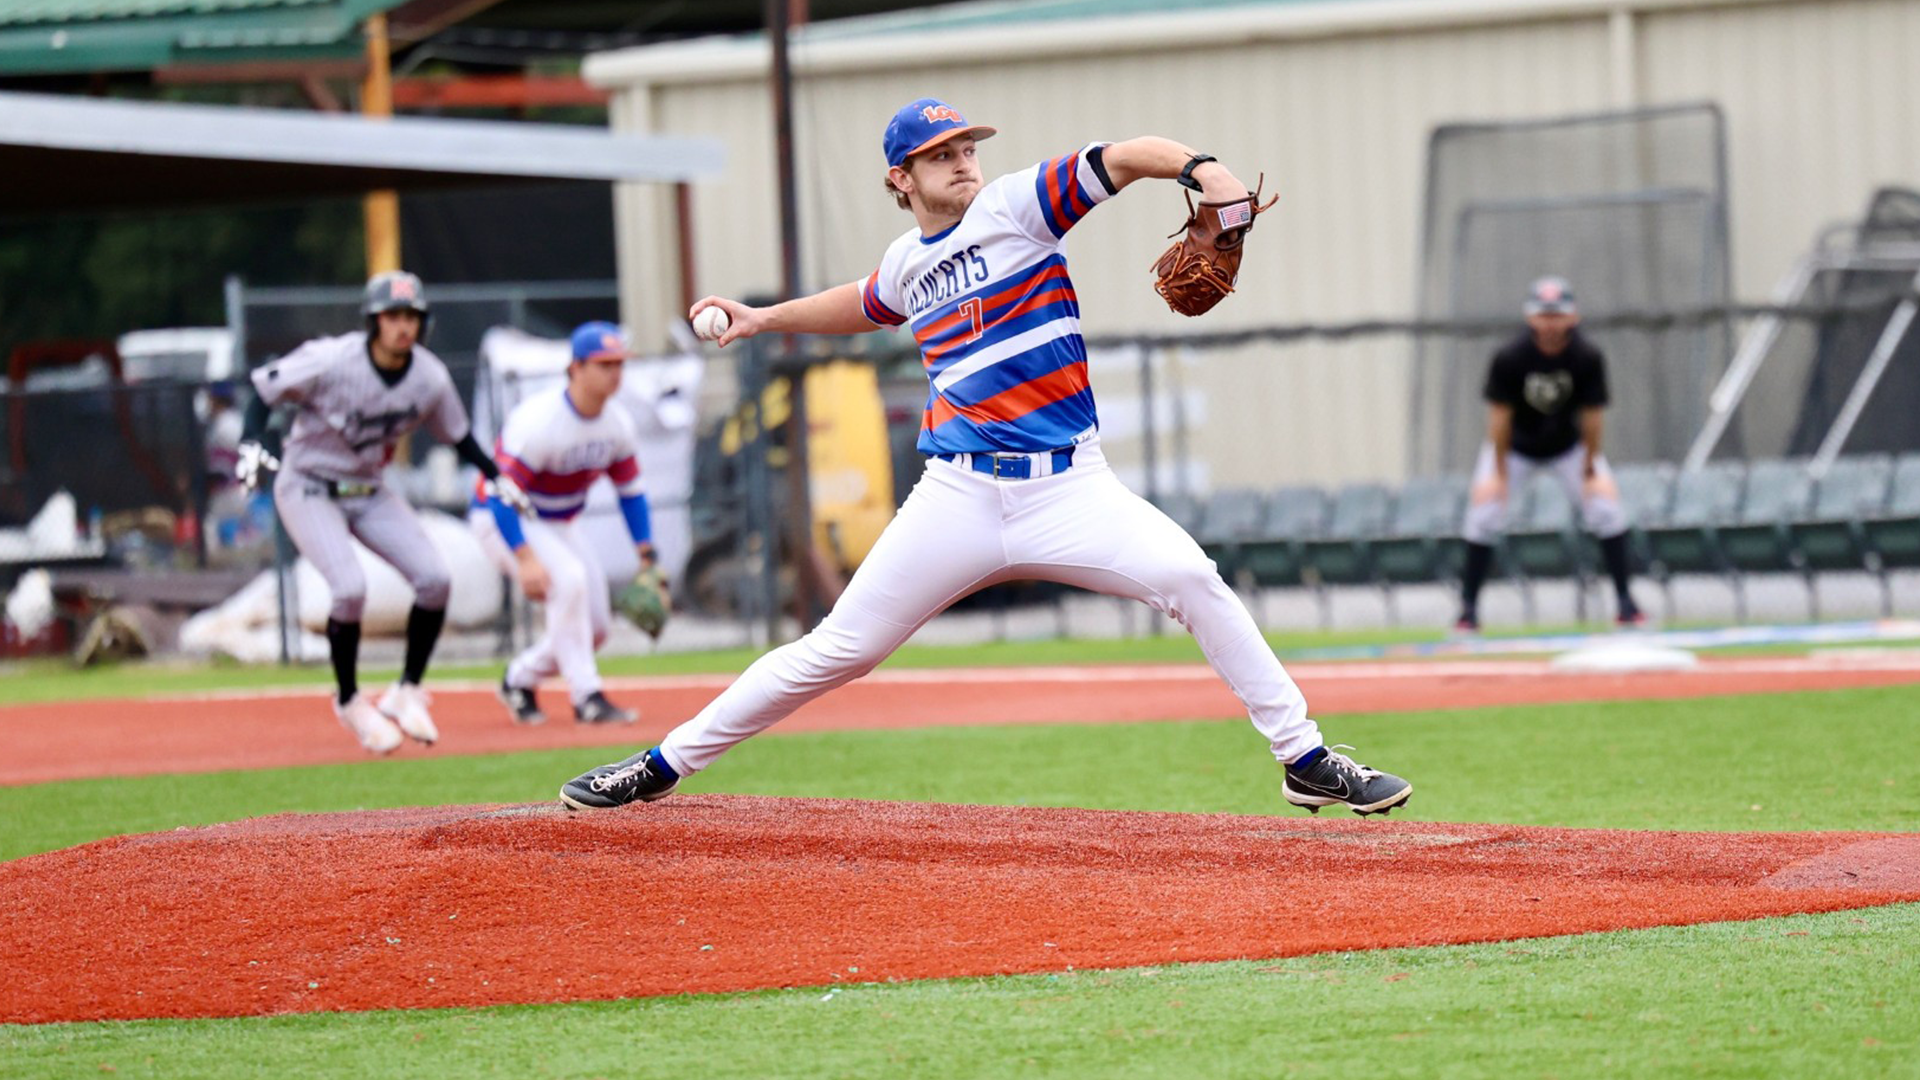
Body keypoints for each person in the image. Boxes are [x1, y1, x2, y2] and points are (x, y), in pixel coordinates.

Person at [557, 98, 1412, 817]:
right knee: (836, 652)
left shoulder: (1016, 206)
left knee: (1193, 579)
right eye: (940, 154)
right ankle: (660, 767)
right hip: (957, 496)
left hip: (1070, 488)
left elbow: (1124, 156)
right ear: (902, 178)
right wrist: (762, 317)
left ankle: (1304, 758)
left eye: (966, 146)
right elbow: (865, 302)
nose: (962, 161)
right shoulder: (906, 261)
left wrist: (1202, 170)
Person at [237, 270, 529, 754]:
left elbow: (457, 436)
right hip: (310, 485)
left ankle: (406, 690)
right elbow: (263, 390)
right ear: (374, 321)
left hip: (368, 488)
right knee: (349, 588)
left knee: (436, 579)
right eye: (393, 316)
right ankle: (350, 700)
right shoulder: (331, 359)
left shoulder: (428, 376)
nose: (402, 326)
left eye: (411, 316)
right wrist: (251, 439)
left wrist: (495, 474)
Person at [470, 321, 660, 727]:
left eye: (619, 364)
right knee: (569, 580)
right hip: (502, 517)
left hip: (558, 522)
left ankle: (518, 678)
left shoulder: (616, 424)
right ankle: (587, 697)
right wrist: (523, 558)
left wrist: (647, 554)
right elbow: (500, 493)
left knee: (594, 630)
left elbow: (631, 492)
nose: (615, 373)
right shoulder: (539, 421)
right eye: (604, 364)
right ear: (575, 368)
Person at [1453, 276, 1643, 632]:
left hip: (1568, 446)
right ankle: (1468, 610)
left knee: (1606, 508)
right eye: (1544, 315)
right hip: (1514, 447)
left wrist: (1590, 469)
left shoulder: (1586, 356)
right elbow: (1498, 418)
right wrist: (1497, 473)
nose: (1550, 324)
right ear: (1530, 317)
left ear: (1572, 317)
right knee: (1483, 513)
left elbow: (1592, 417)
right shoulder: (1510, 357)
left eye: (1557, 315)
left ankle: (1626, 603)